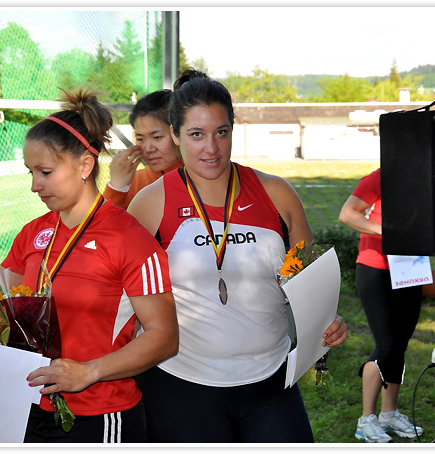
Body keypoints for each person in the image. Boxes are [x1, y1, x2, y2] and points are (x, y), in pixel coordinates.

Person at [0, 87, 178, 443]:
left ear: (85, 166)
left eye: (44, 172)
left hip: (102, 415)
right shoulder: (34, 234)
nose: (34, 186)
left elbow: (164, 337)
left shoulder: (128, 237)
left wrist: (88, 372)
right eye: (30, 172)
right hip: (28, 407)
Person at [127, 69, 348, 443]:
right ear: (176, 135)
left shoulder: (276, 193)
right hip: (181, 382)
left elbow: (308, 279)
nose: (211, 148)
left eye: (221, 132)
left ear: (233, 129)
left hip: (269, 381)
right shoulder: (150, 204)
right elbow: (120, 295)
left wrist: (327, 319)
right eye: (196, 134)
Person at [339, 168, 424, 443]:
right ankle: (366, 419)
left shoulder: (427, 179)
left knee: (399, 343)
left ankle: (389, 413)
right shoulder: (378, 178)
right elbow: (348, 213)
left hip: (411, 266)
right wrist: (388, 232)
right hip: (375, 268)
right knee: (386, 344)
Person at [103, 89, 183, 209]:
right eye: (140, 139)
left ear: (177, 134)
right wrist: (116, 187)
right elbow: (103, 224)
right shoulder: (132, 182)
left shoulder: (200, 178)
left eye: (157, 137)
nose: (148, 148)